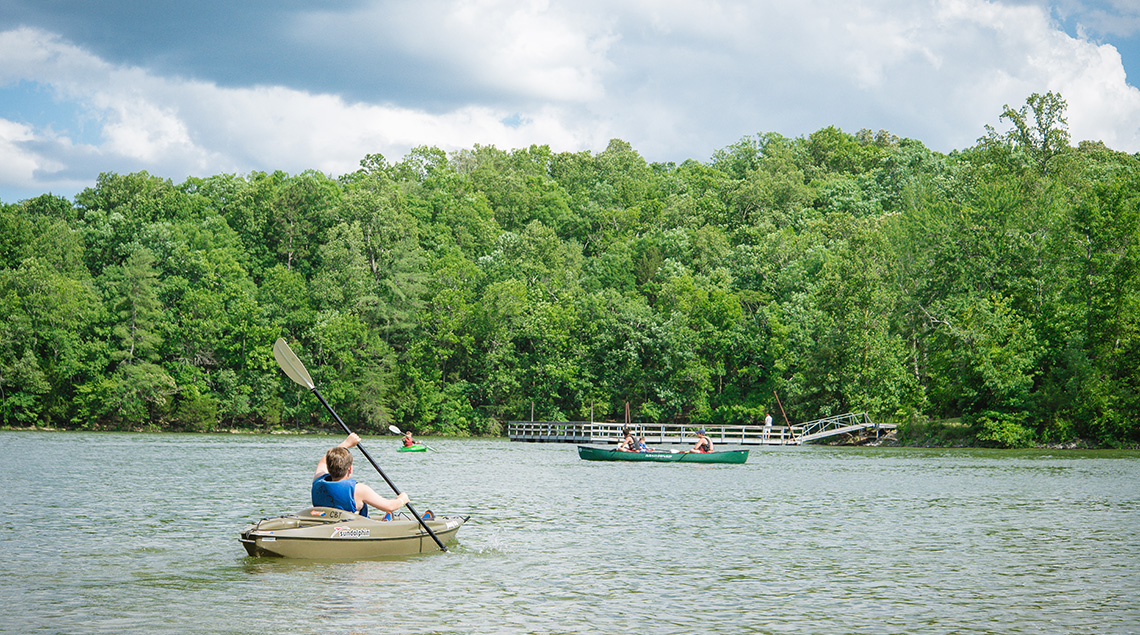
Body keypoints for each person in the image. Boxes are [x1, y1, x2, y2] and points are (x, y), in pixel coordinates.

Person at [312, 433, 409, 517]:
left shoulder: (318, 481)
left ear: (328, 467)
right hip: (351, 529)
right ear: (350, 469)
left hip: (325, 524)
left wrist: (346, 443)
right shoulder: (358, 490)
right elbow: (389, 506)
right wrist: (402, 500)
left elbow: (323, 461)